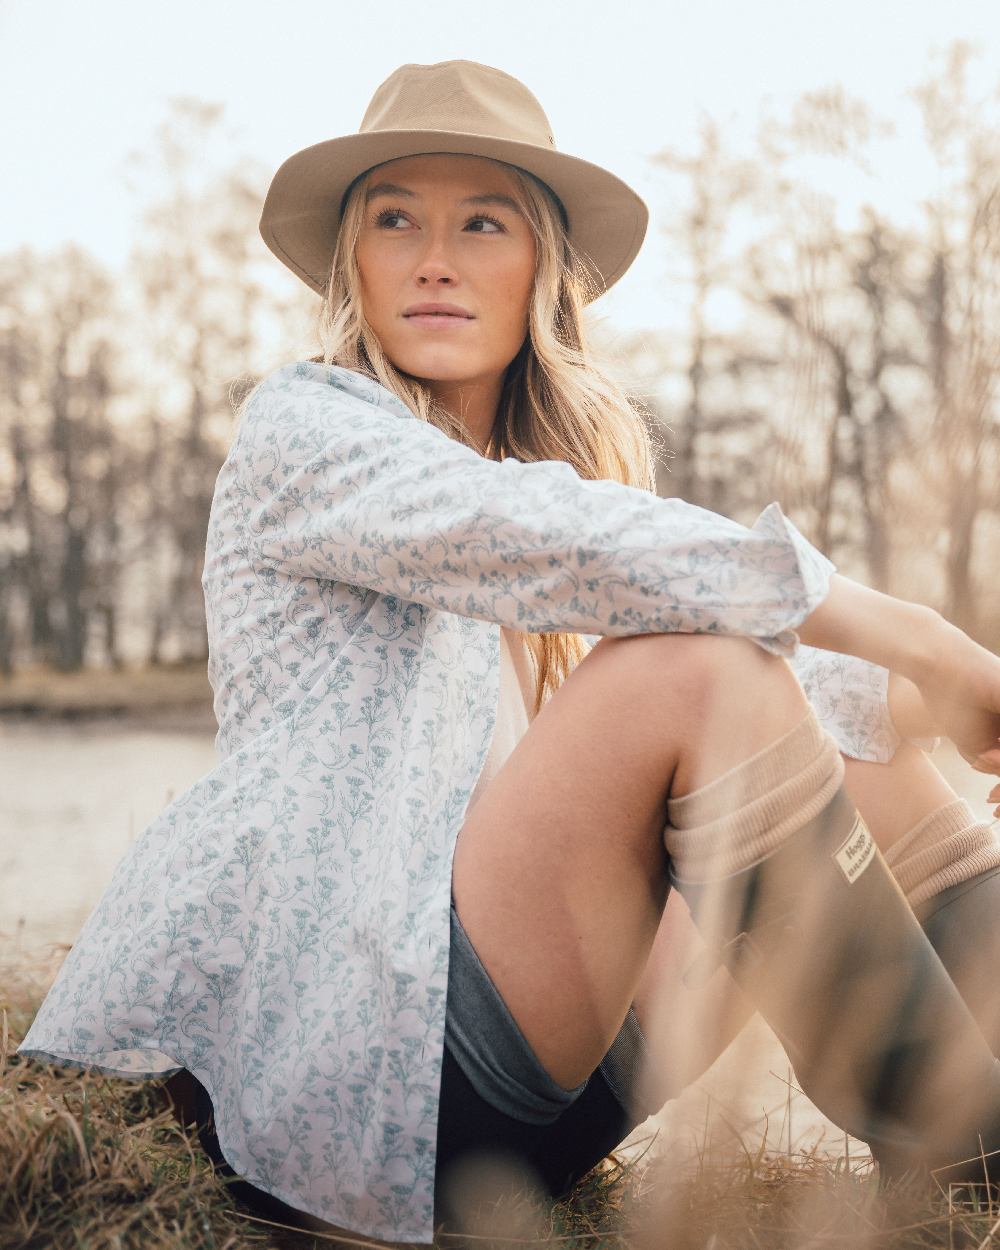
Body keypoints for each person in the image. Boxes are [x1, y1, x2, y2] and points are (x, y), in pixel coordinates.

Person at [16, 59, 1000, 1244]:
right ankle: (952, 1146)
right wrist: (921, 635)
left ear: (538, 265)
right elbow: (553, 540)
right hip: (356, 1078)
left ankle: (969, 1163)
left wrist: (909, 696)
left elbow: (602, 566)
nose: (435, 256)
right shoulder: (309, 431)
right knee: (694, 674)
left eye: (481, 222)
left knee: (858, 724)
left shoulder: (542, 498)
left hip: (522, 1066)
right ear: (356, 263)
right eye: (396, 220)